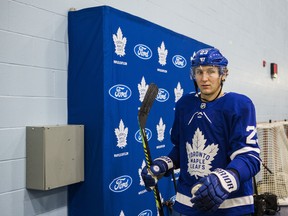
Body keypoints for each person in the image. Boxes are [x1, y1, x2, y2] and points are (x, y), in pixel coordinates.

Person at [141, 48, 261, 216]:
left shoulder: (239, 105)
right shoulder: (185, 104)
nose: (204, 78)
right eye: (199, 72)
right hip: (186, 204)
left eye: (211, 71)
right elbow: (181, 150)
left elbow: (250, 157)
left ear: (223, 74)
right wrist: (163, 164)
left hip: (230, 206)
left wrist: (226, 178)